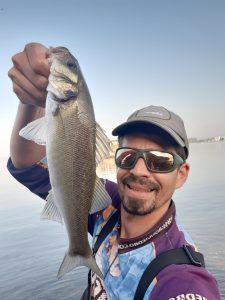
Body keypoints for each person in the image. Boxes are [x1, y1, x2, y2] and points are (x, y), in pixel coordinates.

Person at [7, 43, 220, 300]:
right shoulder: (104, 206)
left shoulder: (181, 278)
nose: (140, 170)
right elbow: (27, 166)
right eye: (129, 157)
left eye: (160, 161)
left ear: (181, 174)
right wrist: (29, 103)